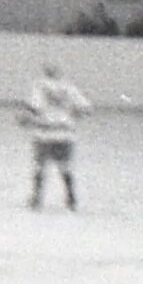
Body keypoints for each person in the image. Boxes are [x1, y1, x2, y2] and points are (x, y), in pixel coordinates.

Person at [23, 61, 89, 210]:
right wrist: (69, 118)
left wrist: (26, 120)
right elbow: (85, 108)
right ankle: (71, 199)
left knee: (40, 166)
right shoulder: (69, 87)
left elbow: (35, 107)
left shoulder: (39, 85)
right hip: (65, 132)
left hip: (44, 132)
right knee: (65, 167)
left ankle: (37, 199)